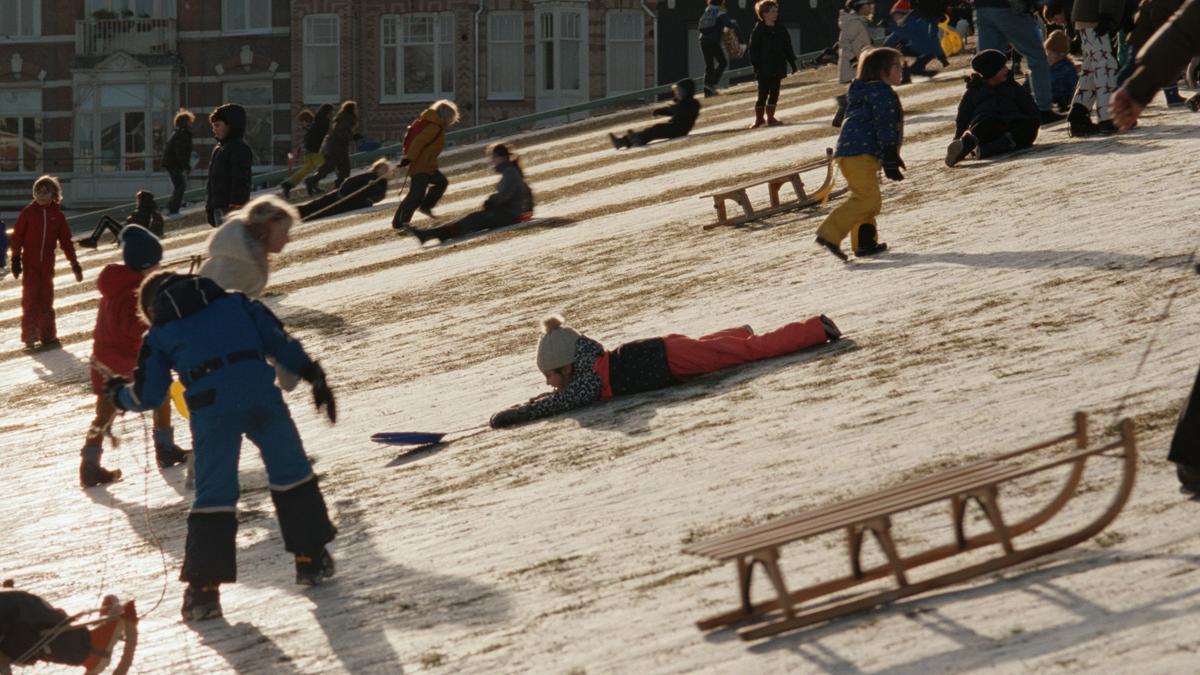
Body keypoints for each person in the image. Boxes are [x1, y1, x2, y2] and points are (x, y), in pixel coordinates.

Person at [107, 270, 338, 620]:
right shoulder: (238, 302)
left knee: (214, 494)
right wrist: (313, 375)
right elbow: (280, 342)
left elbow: (149, 395)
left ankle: (203, 592)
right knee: (291, 473)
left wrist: (118, 396)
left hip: (211, 408)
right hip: (261, 394)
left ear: (153, 308)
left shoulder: (160, 333)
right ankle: (310, 559)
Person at [488, 314, 842, 428]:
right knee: (719, 348)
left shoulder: (590, 382)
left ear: (567, 366)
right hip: (671, 352)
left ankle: (816, 328)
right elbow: (561, 395)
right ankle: (733, 337)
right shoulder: (589, 368)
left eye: (550, 375)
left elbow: (561, 404)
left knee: (752, 353)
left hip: (675, 359)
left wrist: (519, 414)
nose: (549, 383)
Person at [80, 225, 188, 489]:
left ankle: (90, 465)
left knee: (106, 415)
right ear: (144, 264)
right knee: (155, 395)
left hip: (109, 363)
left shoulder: (122, 284)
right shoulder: (131, 292)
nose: (159, 268)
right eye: (156, 264)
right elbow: (134, 328)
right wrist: (158, 319)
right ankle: (163, 448)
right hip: (123, 364)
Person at [814, 48, 905, 261]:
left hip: (853, 153)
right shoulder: (881, 93)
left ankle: (865, 242)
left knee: (866, 199)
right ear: (881, 71)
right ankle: (829, 233)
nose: (901, 71)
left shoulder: (865, 91)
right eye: (896, 67)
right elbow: (884, 125)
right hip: (859, 153)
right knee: (867, 200)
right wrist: (890, 155)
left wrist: (890, 156)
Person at [405, 143, 533, 243]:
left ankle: (431, 234)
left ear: (501, 157)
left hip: (506, 215)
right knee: (471, 219)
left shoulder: (510, 172)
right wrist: (527, 209)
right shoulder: (511, 171)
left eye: (493, 157)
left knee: (471, 220)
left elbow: (506, 194)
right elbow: (525, 190)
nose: (492, 160)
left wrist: (491, 201)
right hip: (506, 213)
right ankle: (431, 234)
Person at [10, 175, 82, 351]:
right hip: (30, 264)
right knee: (30, 299)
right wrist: (15, 259)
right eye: (38, 192)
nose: (41, 196)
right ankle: (29, 335)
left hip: (47, 265)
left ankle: (47, 334)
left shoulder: (57, 216)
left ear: (53, 194)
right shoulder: (27, 213)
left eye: (45, 192)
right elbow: (17, 236)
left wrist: (74, 263)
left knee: (46, 299)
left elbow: (66, 241)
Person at [975, 0, 1068, 125]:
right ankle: (1043, 109)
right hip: (1009, 8)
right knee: (1037, 57)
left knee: (988, 64)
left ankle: (985, 112)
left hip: (982, 7)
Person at [1112, 0, 1200, 129]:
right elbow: (1185, 31)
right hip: (1146, 43)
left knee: (1136, 69)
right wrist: (1136, 91)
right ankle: (1117, 97)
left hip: (1156, 44)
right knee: (1131, 69)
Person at [945, 50, 1042, 166]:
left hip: (1013, 127)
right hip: (989, 131)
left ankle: (986, 150)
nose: (1007, 70)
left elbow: (1029, 105)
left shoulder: (1012, 86)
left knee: (1028, 126)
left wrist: (1033, 119)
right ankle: (964, 147)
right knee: (984, 122)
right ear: (990, 72)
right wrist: (957, 139)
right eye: (1003, 68)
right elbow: (963, 117)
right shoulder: (974, 92)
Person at [392, 99, 460, 229]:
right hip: (420, 166)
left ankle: (425, 207)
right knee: (415, 195)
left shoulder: (434, 125)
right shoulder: (433, 126)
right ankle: (400, 222)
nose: (451, 122)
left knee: (441, 182)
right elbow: (419, 142)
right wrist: (409, 158)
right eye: (451, 118)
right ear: (446, 116)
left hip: (428, 166)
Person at [1064, 0, 1123, 135]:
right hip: (1095, 19)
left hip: (1087, 18)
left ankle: (1078, 116)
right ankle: (1107, 118)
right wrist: (1105, 15)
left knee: (1091, 69)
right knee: (1105, 67)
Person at [608, 79, 702, 149]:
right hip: (676, 128)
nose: (677, 93)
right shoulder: (686, 102)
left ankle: (638, 139)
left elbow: (675, 110)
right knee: (654, 129)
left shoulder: (691, 103)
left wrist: (661, 111)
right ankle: (624, 141)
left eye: (679, 91)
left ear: (686, 92)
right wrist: (662, 110)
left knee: (656, 129)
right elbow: (675, 110)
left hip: (679, 129)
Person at [748, 0, 798, 128]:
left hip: (778, 65)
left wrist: (792, 63)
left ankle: (771, 118)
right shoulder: (758, 30)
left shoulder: (780, 28)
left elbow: (787, 46)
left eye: (776, 11)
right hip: (763, 67)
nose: (776, 13)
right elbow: (753, 50)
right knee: (762, 93)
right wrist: (756, 66)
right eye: (773, 11)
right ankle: (759, 119)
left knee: (775, 92)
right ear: (764, 14)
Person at [297, 158, 393, 222]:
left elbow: (381, 195)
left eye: (387, 169)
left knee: (328, 212)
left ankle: (306, 218)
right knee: (316, 204)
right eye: (383, 168)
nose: (385, 171)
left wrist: (371, 200)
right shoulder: (368, 176)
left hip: (353, 203)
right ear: (377, 169)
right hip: (341, 195)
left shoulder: (383, 183)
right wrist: (342, 193)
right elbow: (349, 181)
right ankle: (294, 213)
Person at [205, 103, 253, 227]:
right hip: (219, 206)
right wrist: (211, 206)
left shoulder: (239, 148)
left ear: (230, 125)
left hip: (231, 207)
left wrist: (237, 203)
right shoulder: (219, 149)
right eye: (213, 126)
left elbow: (240, 178)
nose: (214, 129)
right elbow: (212, 180)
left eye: (217, 125)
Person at [834, 0, 876, 127]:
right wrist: (853, 61)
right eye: (868, 4)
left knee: (863, 88)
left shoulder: (858, 21)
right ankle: (845, 103)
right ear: (861, 6)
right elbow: (844, 43)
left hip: (861, 61)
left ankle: (845, 105)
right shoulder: (854, 23)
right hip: (856, 62)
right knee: (867, 88)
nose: (871, 7)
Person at [77, 190, 165, 249]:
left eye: (138, 199)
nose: (137, 201)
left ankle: (93, 240)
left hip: (131, 237)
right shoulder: (145, 210)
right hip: (128, 234)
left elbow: (151, 228)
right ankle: (93, 240)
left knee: (106, 219)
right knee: (106, 219)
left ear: (143, 200)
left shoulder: (146, 212)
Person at [884, 0, 949, 78]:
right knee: (900, 51)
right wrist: (885, 45)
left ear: (903, 13)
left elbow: (904, 33)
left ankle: (912, 73)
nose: (894, 18)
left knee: (912, 66)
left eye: (896, 15)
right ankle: (912, 73)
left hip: (927, 51)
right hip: (920, 49)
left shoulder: (912, 20)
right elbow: (895, 36)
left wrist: (890, 27)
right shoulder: (907, 21)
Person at [281, 105, 332, 199]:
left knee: (307, 169)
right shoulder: (315, 124)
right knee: (322, 167)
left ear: (307, 120)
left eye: (303, 121)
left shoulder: (314, 125)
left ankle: (288, 184)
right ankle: (312, 184)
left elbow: (309, 139)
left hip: (311, 150)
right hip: (313, 150)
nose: (302, 124)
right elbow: (310, 139)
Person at [306, 101, 358, 194]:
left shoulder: (343, 118)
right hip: (337, 149)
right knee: (344, 169)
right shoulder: (345, 120)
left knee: (329, 168)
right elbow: (341, 134)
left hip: (334, 148)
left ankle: (313, 181)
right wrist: (353, 137)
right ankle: (339, 189)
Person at [699, 0, 739, 97]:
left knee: (709, 65)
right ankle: (711, 84)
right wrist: (733, 23)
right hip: (713, 41)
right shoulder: (720, 13)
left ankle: (707, 90)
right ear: (721, 3)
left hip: (702, 40)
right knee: (723, 62)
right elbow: (728, 24)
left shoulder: (707, 11)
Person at [162, 110, 194, 219]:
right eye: (190, 121)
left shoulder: (177, 133)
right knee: (180, 186)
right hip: (174, 163)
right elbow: (180, 152)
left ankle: (169, 208)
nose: (191, 123)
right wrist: (186, 166)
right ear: (186, 122)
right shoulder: (183, 135)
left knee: (178, 186)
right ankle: (173, 210)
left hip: (171, 163)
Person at [1044, 30, 1080, 112]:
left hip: (1062, 100)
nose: (1048, 57)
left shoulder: (1068, 68)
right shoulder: (1047, 67)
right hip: (1049, 99)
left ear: (1061, 54)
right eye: (1047, 53)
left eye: (1050, 54)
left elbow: (1074, 87)